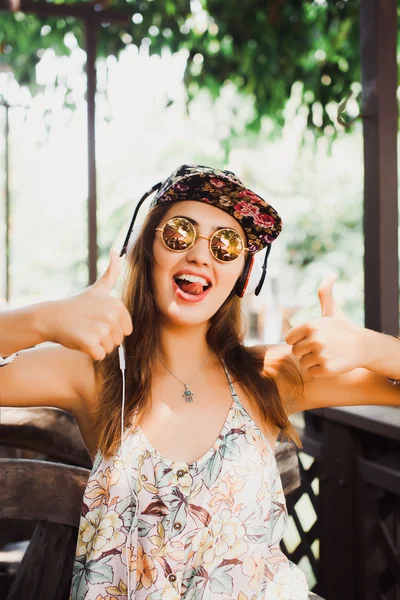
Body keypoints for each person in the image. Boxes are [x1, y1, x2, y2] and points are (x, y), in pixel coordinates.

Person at [1, 164, 400, 600]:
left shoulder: (270, 375)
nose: (200, 255)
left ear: (240, 275)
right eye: (180, 234)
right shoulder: (93, 371)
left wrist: (372, 349)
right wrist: (40, 321)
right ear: (147, 249)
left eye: (226, 245)